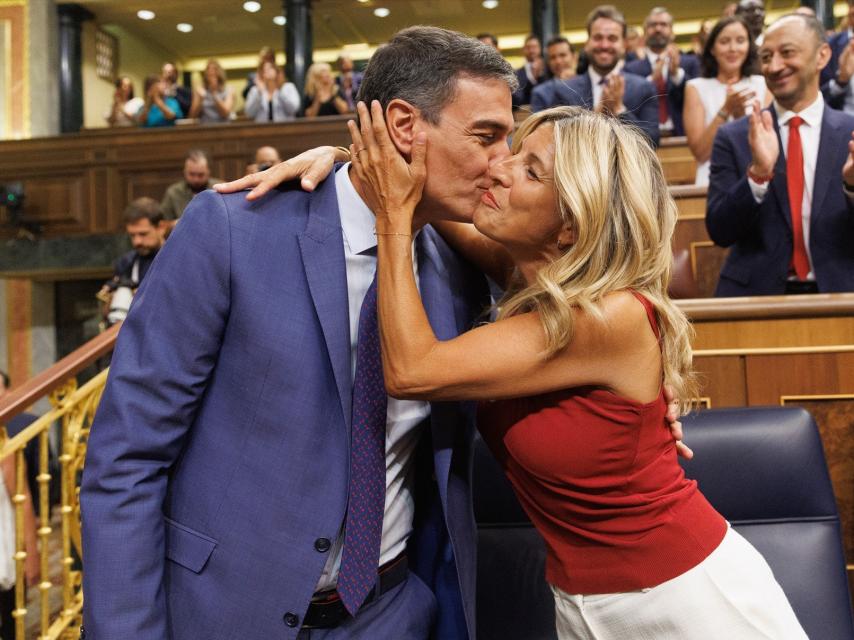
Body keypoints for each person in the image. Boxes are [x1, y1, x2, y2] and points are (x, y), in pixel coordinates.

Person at [80, 26, 519, 640]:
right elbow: (128, 457)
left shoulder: (458, 262)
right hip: (224, 614)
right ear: (403, 126)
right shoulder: (232, 230)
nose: (503, 164)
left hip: (392, 612)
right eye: (487, 137)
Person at [345, 100, 808, 640]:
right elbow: (445, 213)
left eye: (531, 170)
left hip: (685, 597)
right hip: (583, 602)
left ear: (570, 225)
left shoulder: (606, 317)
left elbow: (412, 369)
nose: (500, 167)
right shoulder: (538, 284)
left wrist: (393, 218)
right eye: (515, 155)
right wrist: (342, 163)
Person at [707, 13, 854, 296]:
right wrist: (757, 175)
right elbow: (719, 231)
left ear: (822, 56)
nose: (774, 67)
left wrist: (852, 187)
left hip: (842, 292)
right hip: (757, 298)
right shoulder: (735, 137)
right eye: (765, 57)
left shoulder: (850, 133)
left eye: (787, 53)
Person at [532, 5, 660, 147]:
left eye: (612, 38)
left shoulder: (644, 88)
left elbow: (652, 143)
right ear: (587, 43)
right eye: (598, 37)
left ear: (624, 45)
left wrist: (619, 110)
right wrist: (596, 115)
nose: (604, 45)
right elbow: (556, 142)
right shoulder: (565, 89)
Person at [684, 16, 770, 185]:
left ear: (749, 46)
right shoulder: (695, 87)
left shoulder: (763, 84)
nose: (733, 48)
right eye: (724, 41)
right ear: (712, 49)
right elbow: (700, 153)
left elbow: (766, 145)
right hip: (712, 180)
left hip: (757, 179)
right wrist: (726, 109)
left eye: (740, 41)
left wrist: (740, 118)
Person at [624, 7, 701, 137]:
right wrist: (650, 80)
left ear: (672, 32)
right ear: (645, 32)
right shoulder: (630, 68)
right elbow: (628, 104)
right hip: (643, 139)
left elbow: (698, 101)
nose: (658, 29)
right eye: (653, 25)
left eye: (663, 25)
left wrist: (676, 74)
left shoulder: (691, 63)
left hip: (683, 137)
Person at [97, 197, 166, 326]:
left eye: (143, 234)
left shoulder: (177, 260)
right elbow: (109, 315)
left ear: (161, 228)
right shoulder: (125, 263)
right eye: (132, 235)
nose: (137, 242)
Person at [160, 150, 222, 222]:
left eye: (200, 175)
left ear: (209, 172)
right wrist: (175, 224)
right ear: (185, 171)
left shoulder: (219, 189)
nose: (196, 179)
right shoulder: (173, 192)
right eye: (192, 174)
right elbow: (162, 223)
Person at [530, 37, 577, 111]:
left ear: (574, 57)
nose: (558, 61)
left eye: (562, 55)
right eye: (553, 57)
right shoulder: (540, 93)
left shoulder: (591, 82)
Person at [188, 59, 235, 124]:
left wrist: (214, 94)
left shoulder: (229, 89)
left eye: (214, 69)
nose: (211, 72)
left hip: (224, 128)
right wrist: (200, 100)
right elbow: (192, 116)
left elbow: (225, 113)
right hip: (205, 129)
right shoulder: (200, 90)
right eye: (209, 70)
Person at [512, 34, 547, 107]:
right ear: (523, 50)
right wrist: (532, 78)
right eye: (528, 47)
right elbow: (517, 99)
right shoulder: (516, 73)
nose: (531, 51)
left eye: (534, 47)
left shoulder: (548, 69)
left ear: (540, 48)